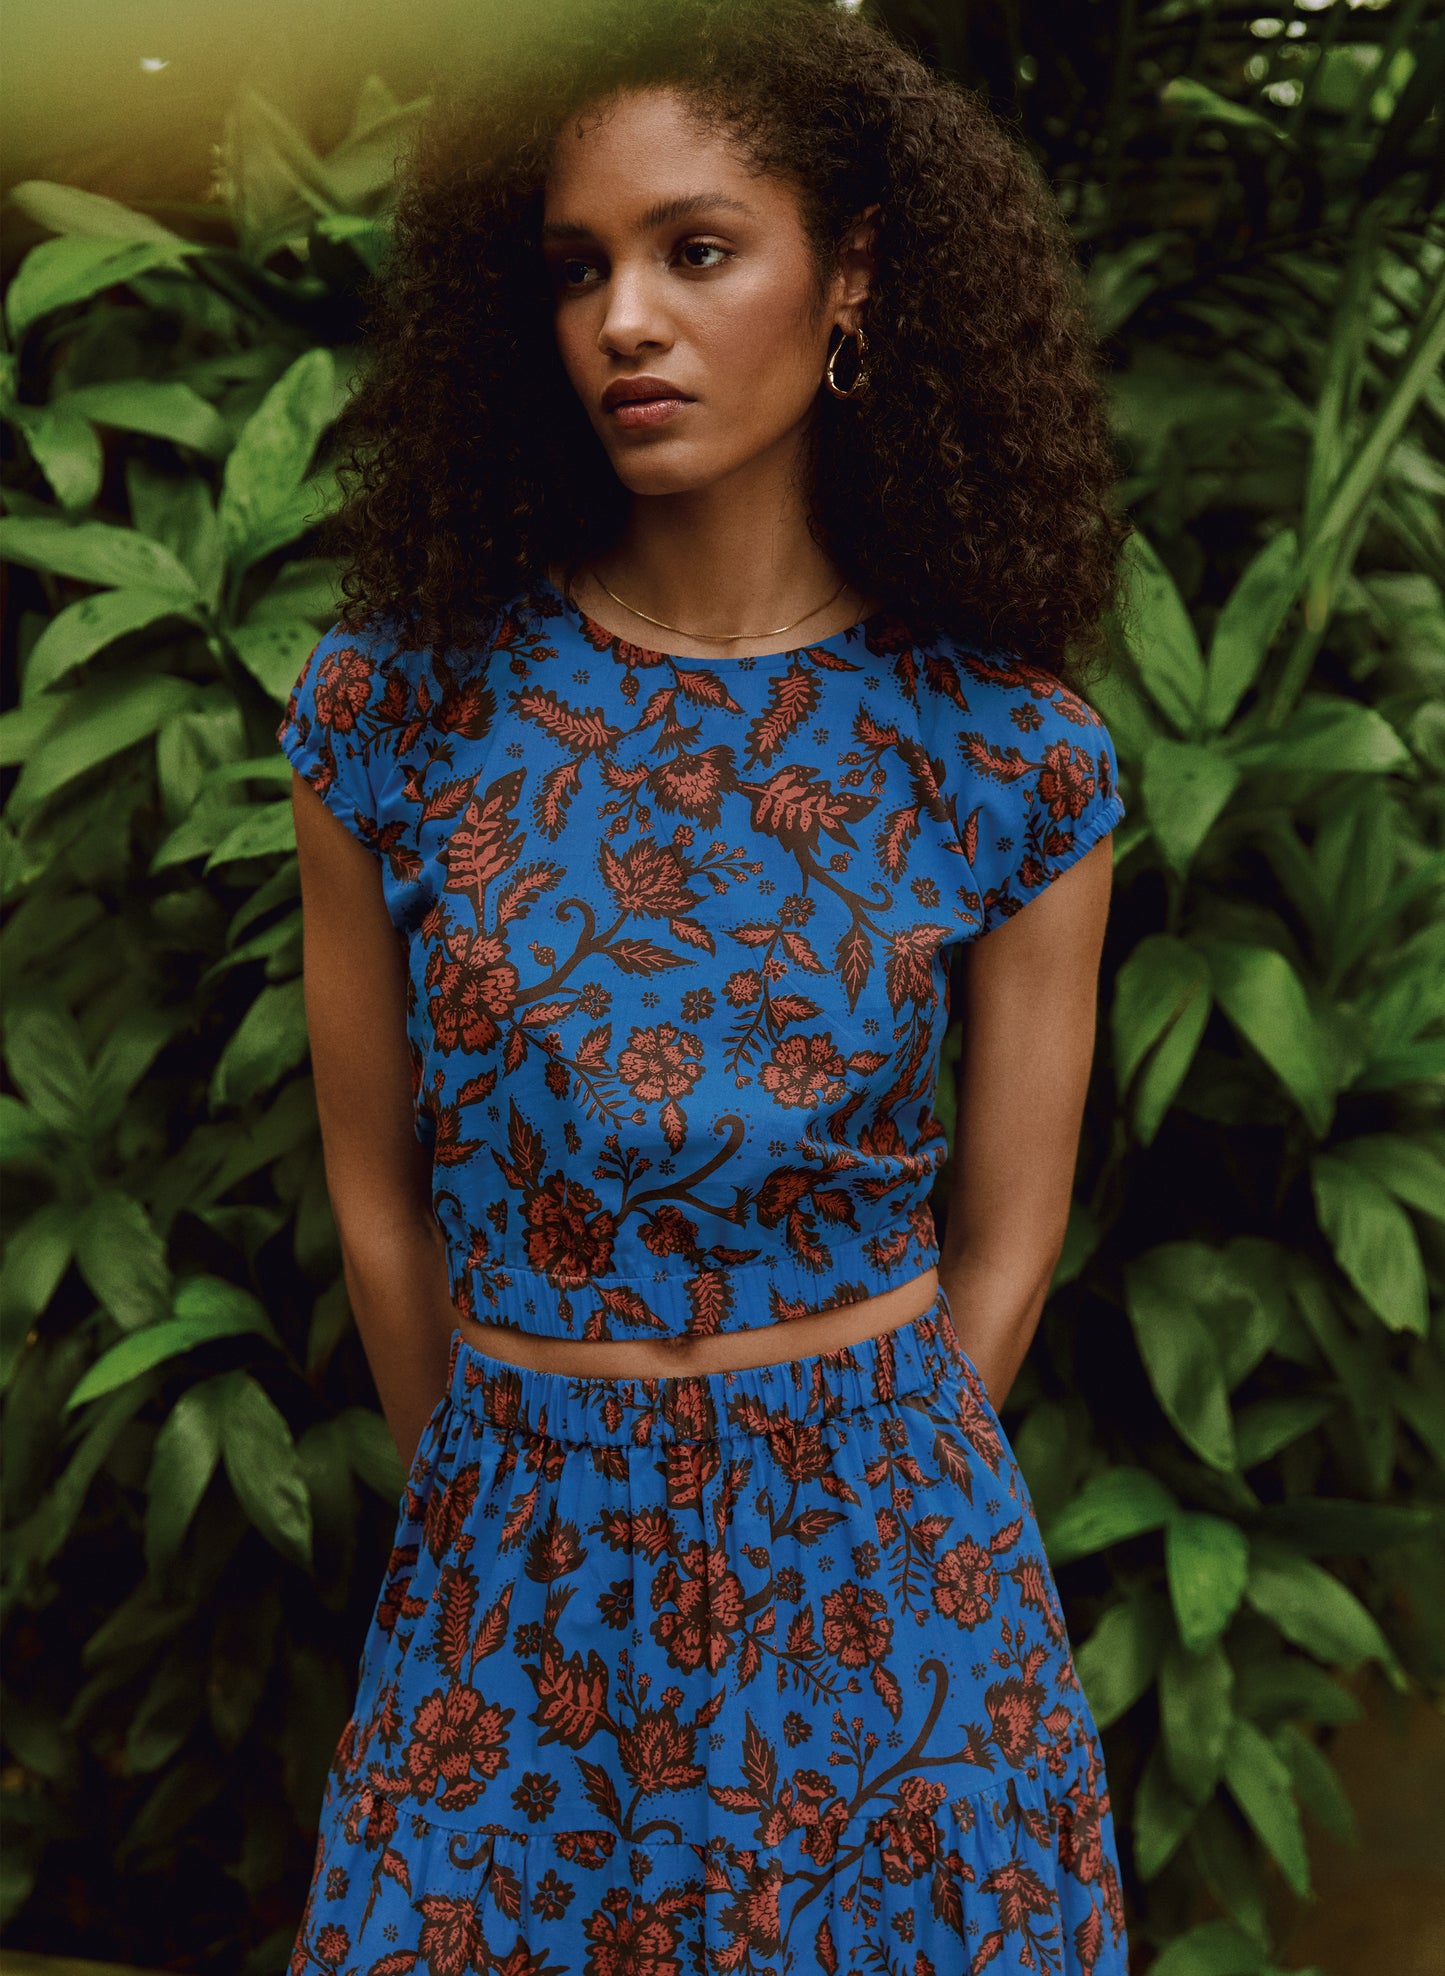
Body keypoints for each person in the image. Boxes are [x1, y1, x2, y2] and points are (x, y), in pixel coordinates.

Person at [279, 2, 1130, 1968]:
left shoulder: (1006, 751)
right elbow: (377, 1197)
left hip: (890, 1617)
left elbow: (1007, 1246)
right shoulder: (398, 713)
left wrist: (840, 1505)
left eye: (696, 249)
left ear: (854, 280)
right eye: (577, 268)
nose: (626, 321)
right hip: (511, 1589)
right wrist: (516, 1499)